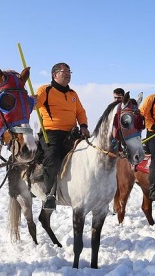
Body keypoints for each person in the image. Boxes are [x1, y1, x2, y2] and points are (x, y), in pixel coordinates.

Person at [35, 62, 90, 210]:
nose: (67, 74)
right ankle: (50, 195)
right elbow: (34, 104)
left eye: (69, 71)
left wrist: (83, 126)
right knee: (53, 157)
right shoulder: (45, 90)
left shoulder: (73, 94)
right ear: (54, 74)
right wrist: (31, 101)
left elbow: (80, 112)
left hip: (72, 133)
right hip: (52, 132)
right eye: (63, 71)